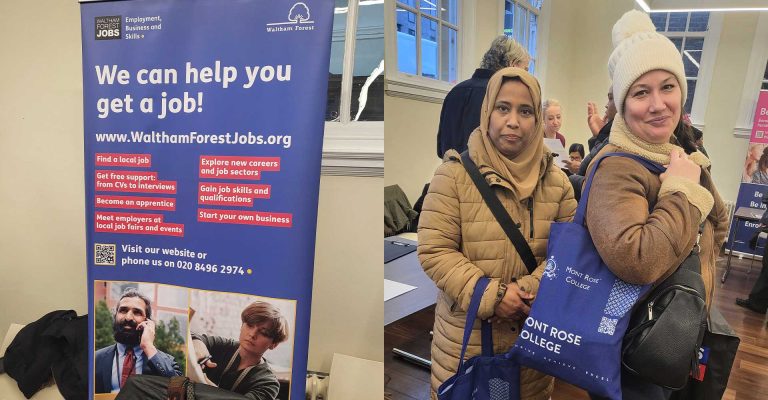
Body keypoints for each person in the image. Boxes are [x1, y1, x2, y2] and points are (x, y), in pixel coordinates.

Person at [584, 10, 729, 399]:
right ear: (622, 102)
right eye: (640, 92)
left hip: (668, 331)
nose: (657, 104)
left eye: (667, 87)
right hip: (634, 346)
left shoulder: (673, 154)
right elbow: (638, 259)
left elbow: (716, 225)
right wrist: (681, 193)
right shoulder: (618, 165)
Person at [418, 67, 577, 399]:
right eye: (503, 108)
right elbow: (435, 249)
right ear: (487, 112)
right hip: (466, 345)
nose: (513, 121)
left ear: (537, 119)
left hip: (530, 345)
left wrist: (526, 291)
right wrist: (491, 296)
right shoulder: (452, 176)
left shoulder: (559, 184)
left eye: (525, 111)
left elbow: (568, 256)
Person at [436, 35, 531, 158]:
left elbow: (440, 148)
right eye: (525, 70)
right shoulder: (498, 97)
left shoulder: (454, 92)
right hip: (483, 175)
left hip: (450, 172)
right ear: (513, 65)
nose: (527, 76)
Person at [191, 301, 289, 400]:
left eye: (263, 332)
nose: (252, 334)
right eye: (250, 325)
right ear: (242, 326)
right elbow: (192, 336)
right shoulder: (223, 345)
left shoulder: (268, 383)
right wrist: (198, 344)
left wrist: (209, 390)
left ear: (273, 344)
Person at [95, 289, 182, 394]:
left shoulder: (168, 362)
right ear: (115, 315)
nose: (128, 317)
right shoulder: (95, 359)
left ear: (147, 322)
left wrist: (148, 346)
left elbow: (179, 393)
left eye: (137, 312)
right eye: (123, 310)